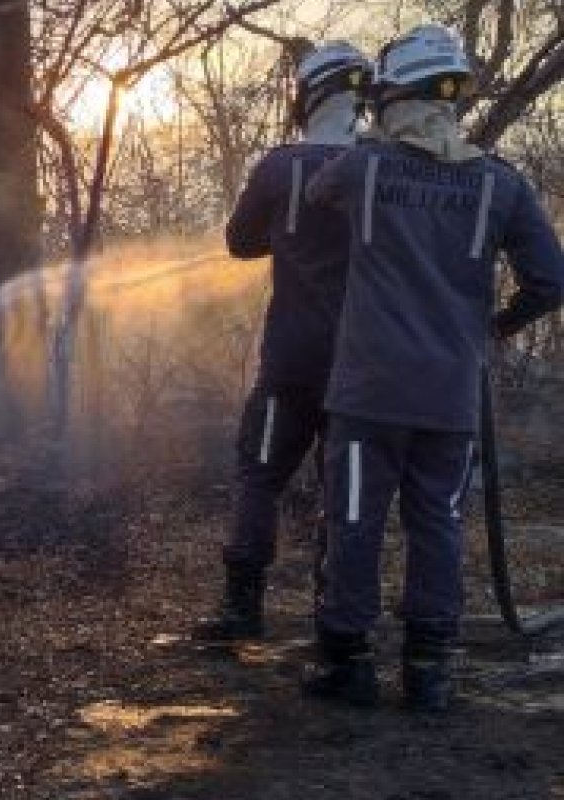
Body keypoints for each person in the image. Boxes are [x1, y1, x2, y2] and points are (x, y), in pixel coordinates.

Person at [303, 23, 564, 711]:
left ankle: (348, 664)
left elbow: (313, 196)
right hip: (449, 395)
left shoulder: (364, 168)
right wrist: (495, 328)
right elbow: (550, 280)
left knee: (355, 517)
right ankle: (429, 673)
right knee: (437, 522)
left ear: (396, 98)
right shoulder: (498, 186)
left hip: (367, 393)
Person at [193, 41, 373, 641]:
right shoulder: (382, 166)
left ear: (310, 94)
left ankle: (242, 610)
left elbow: (241, 242)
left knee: (259, 474)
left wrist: (291, 232)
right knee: (346, 489)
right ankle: (337, 616)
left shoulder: (281, 167)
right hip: (363, 368)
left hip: (291, 365)